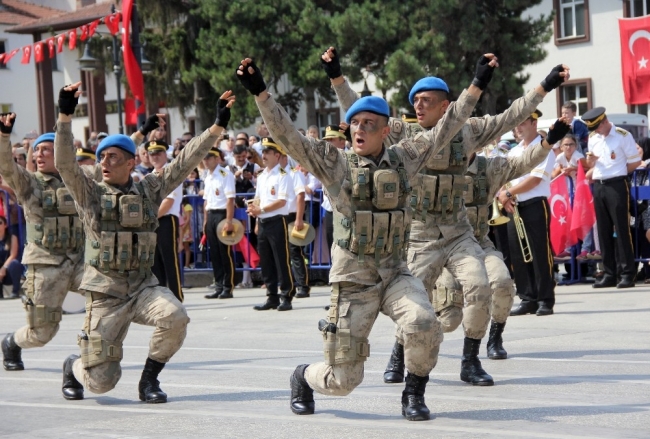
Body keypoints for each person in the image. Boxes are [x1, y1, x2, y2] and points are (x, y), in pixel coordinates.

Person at [237, 53, 489, 420]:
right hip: (354, 282)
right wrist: (261, 93)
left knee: (424, 322)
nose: (359, 129)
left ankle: (414, 393)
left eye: (369, 123)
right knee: (343, 380)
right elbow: (288, 137)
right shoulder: (335, 163)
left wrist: (476, 86)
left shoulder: (406, 158)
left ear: (386, 130)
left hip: (395, 273)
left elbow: (448, 125)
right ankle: (303, 377)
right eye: (354, 122)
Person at [321, 46, 570, 385]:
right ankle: (398, 355)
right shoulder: (405, 134)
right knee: (415, 302)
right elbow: (358, 108)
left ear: (446, 105)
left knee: (482, 285)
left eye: (426, 100)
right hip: (420, 234)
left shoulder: (469, 130)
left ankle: (470, 359)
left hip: (458, 231)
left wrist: (544, 86)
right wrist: (336, 74)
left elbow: (511, 116)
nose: (418, 106)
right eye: (415, 100)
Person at [53, 82, 234, 402]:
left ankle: (149, 380)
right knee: (101, 382)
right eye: (102, 157)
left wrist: (216, 127)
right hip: (105, 294)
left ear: (130, 162)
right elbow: (66, 165)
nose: (105, 162)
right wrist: (65, 117)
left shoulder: (148, 189)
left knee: (176, 316)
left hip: (142, 287)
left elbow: (183, 162)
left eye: (113, 157)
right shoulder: (90, 193)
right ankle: (75, 365)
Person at [432, 119, 570, 359]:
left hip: (508, 220)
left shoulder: (493, 164)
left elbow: (528, 169)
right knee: (516, 255)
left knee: (511, 275)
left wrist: (547, 141)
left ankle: (496, 337)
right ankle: (401, 349)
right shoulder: (444, 168)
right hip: (448, 243)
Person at [503, 110, 558, 316]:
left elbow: (535, 180)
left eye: (522, 122)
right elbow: (505, 178)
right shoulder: (514, 152)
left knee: (539, 253)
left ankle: (545, 299)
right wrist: (503, 194)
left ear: (534, 123)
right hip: (514, 206)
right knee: (518, 254)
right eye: (516, 123)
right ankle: (527, 298)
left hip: (535, 204)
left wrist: (508, 192)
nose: (517, 127)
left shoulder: (544, 149)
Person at [583, 107, 641, 288]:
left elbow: (635, 161)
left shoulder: (623, 136)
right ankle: (609, 273)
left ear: (604, 122)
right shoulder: (593, 138)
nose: (596, 131)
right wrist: (591, 164)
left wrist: (620, 173)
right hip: (599, 184)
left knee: (622, 229)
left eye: (597, 127)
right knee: (603, 230)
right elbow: (591, 163)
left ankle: (627, 273)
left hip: (617, 184)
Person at [247, 137, 295, 312]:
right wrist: (254, 210)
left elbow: (281, 202)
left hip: (277, 221)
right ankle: (272, 296)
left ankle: (286, 296)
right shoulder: (261, 176)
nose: (264, 155)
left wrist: (261, 211)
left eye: (267, 152)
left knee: (281, 259)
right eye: (263, 152)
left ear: (277, 154)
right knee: (266, 261)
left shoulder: (283, 175)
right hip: (264, 221)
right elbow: (258, 198)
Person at [146, 139, 185, 302]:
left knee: (170, 260)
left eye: (158, 153)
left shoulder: (171, 174)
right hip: (152, 222)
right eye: (152, 154)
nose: (155, 157)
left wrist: (150, 218)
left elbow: (168, 202)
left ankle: (176, 296)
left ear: (164, 154)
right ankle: (161, 297)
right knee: (155, 262)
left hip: (166, 221)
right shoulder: (148, 177)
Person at [202, 147, 237, 299]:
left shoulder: (225, 174)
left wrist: (229, 220)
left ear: (217, 159)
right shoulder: (207, 176)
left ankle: (228, 287)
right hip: (211, 214)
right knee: (214, 252)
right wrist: (205, 220)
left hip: (222, 214)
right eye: (205, 158)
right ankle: (219, 285)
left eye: (209, 157)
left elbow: (230, 199)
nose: (206, 160)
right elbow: (206, 201)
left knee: (225, 252)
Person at [280, 153, 310, 299]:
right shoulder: (274, 174)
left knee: (295, 252)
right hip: (277, 217)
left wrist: (299, 218)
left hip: (292, 216)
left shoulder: (294, 173)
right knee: (281, 253)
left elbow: (300, 196)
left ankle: (302, 285)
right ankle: (287, 284)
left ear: (284, 157)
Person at [0, 215, 22, 299]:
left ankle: (15, 291)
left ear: (5, 225)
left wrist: (3, 268)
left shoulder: (12, 237)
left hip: (9, 272)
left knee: (15, 264)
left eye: (0, 223)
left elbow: (13, 255)